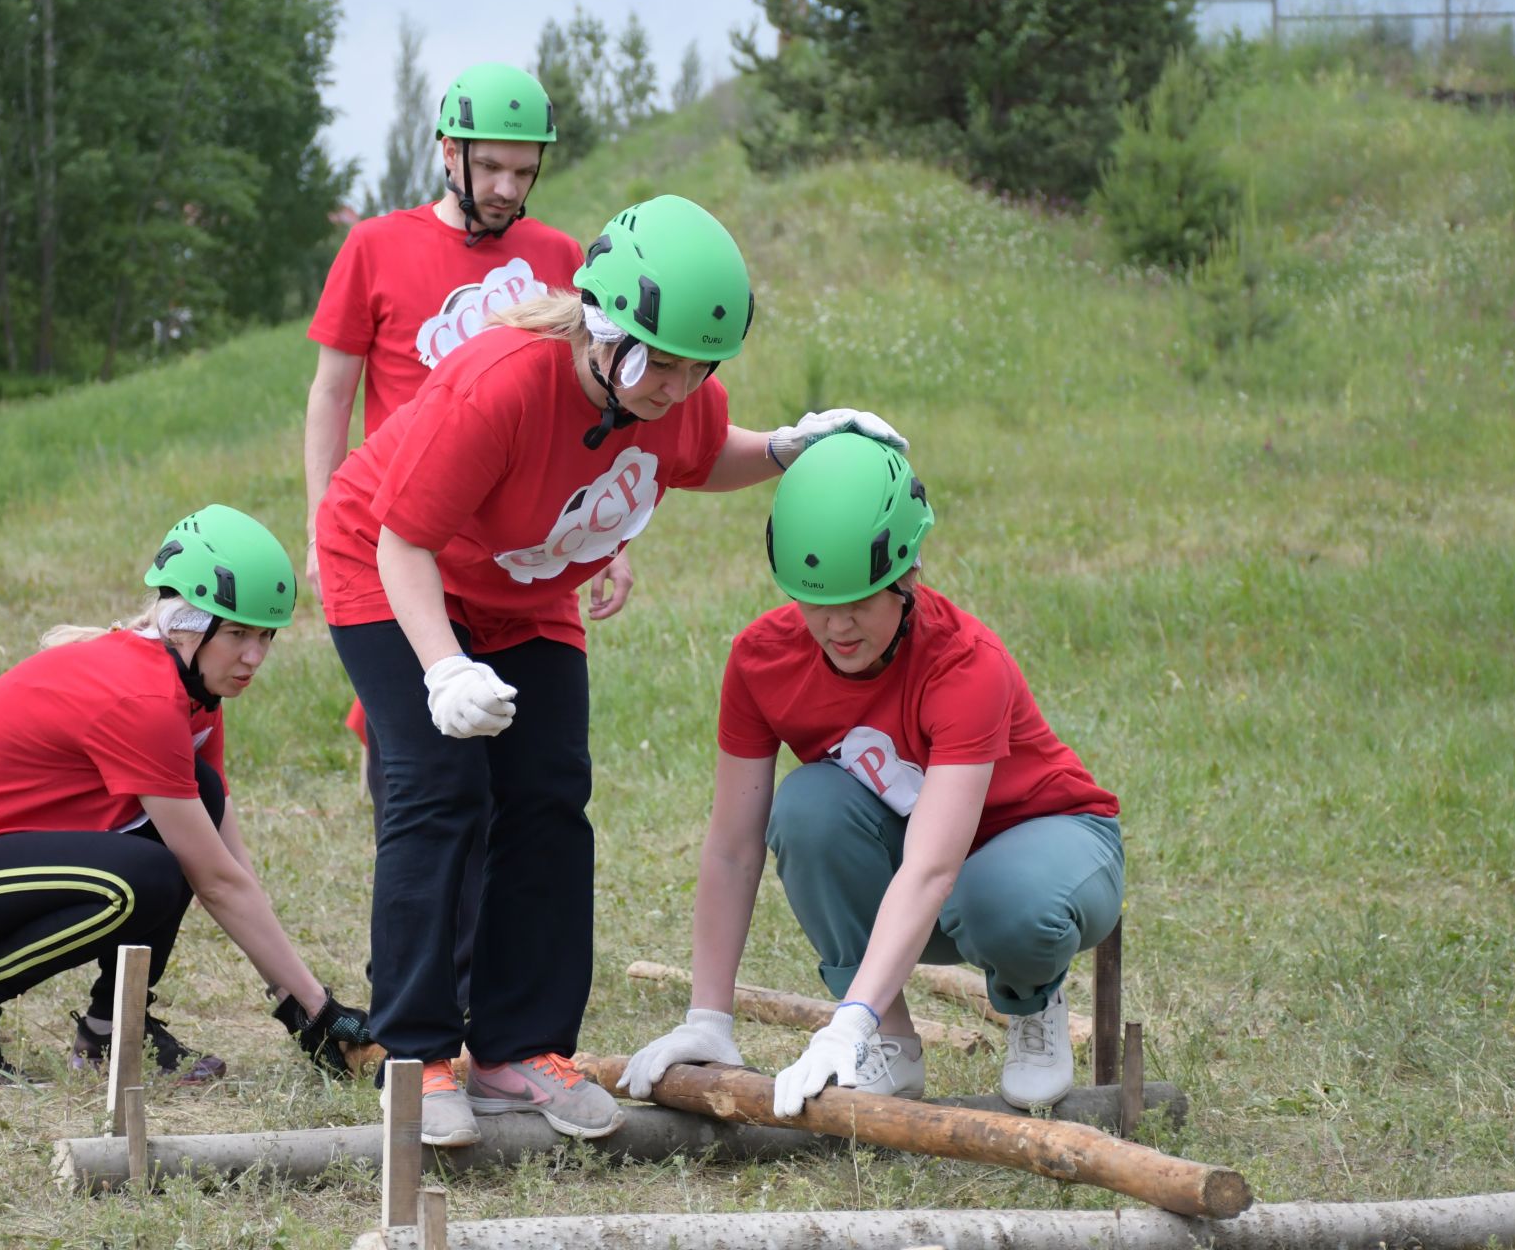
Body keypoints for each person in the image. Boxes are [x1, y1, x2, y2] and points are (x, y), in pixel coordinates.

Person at [314, 193, 903, 1146]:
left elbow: (703, 453)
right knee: (440, 789)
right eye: (659, 363)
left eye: (696, 367)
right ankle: (416, 1060)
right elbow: (401, 542)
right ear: (600, 326)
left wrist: (793, 445)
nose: (676, 385)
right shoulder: (500, 384)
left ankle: (517, 1052)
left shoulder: (673, 395)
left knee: (549, 796)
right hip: (392, 568)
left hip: (524, 589)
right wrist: (440, 669)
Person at [621, 434, 1123, 1116]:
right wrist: (708, 1018)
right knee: (807, 809)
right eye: (814, 601)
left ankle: (1033, 1001)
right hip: (930, 882)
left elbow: (932, 869)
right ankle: (891, 1041)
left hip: (1051, 848)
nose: (836, 625)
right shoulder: (762, 662)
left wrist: (843, 1020)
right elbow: (733, 849)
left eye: (859, 600)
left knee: (1003, 902)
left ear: (908, 574)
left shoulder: (967, 664)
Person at [302, 63, 620, 1013]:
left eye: (524, 173)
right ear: (448, 152)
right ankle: (415, 1008)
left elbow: (603, 401)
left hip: (521, 559)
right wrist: (323, 529)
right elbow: (331, 394)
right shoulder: (375, 248)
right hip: (409, 551)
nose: (508, 190)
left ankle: (494, 1016)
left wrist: (612, 528)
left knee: (528, 787)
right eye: (491, 169)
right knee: (429, 783)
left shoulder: (562, 253)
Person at [0, 505, 369, 1082]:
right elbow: (216, 882)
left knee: (195, 805)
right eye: (238, 634)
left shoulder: (194, 693)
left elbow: (229, 866)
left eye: (266, 636)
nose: (255, 656)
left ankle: (110, 1032)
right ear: (187, 625)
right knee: (143, 878)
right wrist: (315, 1009)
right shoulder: (145, 701)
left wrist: (296, 998)